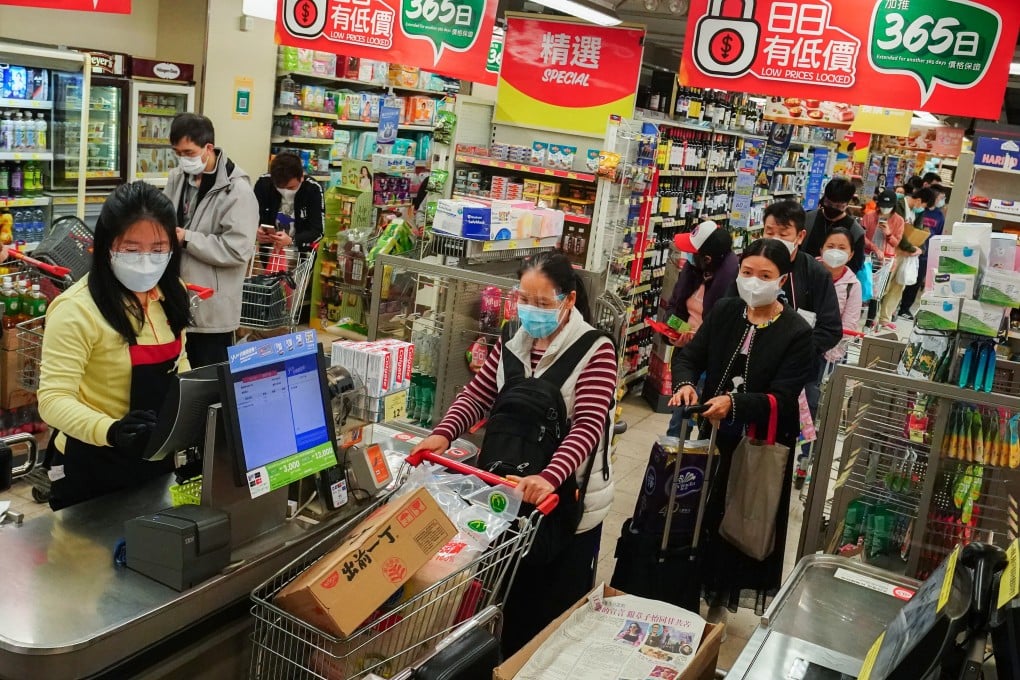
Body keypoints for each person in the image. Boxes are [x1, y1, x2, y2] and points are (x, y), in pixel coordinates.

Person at [410, 251, 616, 654]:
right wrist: (443, 434)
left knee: (549, 617)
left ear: (568, 300)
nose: (531, 310)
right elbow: (479, 393)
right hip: (509, 491)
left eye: (542, 302)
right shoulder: (512, 340)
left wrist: (549, 477)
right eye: (525, 299)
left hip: (565, 502)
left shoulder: (596, 349)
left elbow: (588, 425)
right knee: (506, 601)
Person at [670, 238, 814, 620]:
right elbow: (690, 355)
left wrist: (735, 404)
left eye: (764, 276)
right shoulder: (726, 311)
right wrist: (685, 383)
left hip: (760, 443)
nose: (753, 282)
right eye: (747, 273)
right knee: (703, 511)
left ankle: (720, 597)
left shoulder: (797, 332)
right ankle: (693, 587)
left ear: (782, 279)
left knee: (743, 516)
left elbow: (783, 397)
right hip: (713, 436)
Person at [38, 183, 192, 510]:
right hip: (91, 465)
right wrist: (110, 431)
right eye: (133, 250)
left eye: (158, 248)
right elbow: (52, 400)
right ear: (107, 246)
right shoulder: (76, 310)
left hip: (156, 459)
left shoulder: (171, 294)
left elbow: (180, 364)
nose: (146, 261)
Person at [164, 113, 258, 367]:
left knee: (208, 383)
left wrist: (187, 238)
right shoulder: (177, 178)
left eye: (188, 152)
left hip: (211, 309)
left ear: (208, 148)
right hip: (176, 299)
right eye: (177, 152)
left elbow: (238, 250)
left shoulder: (237, 191)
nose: (183, 159)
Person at [664, 221, 738, 436]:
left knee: (706, 418)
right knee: (679, 417)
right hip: (687, 356)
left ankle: (696, 467)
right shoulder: (692, 271)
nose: (687, 256)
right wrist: (674, 331)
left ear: (707, 259)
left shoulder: (731, 283)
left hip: (712, 360)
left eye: (692, 253)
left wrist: (701, 338)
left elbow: (728, 329)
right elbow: (674, 306)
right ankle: (674, 462)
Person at [879, 189, 932, 328]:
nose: (923, 209)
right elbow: (898, 232)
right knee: (885, 284)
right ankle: (875, 315)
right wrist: (910, 248)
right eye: (924, 205)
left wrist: (920, 249)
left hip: (907, 255)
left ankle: (886, 318)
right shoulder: (899, 205)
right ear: (919, 200)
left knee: (898, 286)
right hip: (893, 250)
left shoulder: (917, 213)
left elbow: (919, 232)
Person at [253, 152, 324, 252]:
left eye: (291, 187)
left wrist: (292, 241)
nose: (286, 192)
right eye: (280, 188)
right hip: (267, 254)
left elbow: (317, 231)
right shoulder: (264, 184)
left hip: (301, 256)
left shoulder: (313, 189)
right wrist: (255, 232)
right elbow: (249, 218)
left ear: (302, 176)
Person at [802, 178, 867, 273]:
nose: (832, 208)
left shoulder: (855, 232)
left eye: (838, 206)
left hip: (836, 283)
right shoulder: (808, 219)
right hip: (803, 276)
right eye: (828, 203)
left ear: (847, 204)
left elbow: (855, 265)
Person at [897, 187, 943, 320]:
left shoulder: (937, 215)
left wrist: (921, 249)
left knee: (909, 282)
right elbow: (901, 231)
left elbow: (922, 230)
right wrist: (910, 248)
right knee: (894, 283)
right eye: (939, 198)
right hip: (901, 250)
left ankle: (902, 309)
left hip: (918, 253)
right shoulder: (904, 207)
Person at [817, 228, 863, 363]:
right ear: (821, 250)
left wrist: (828, 353)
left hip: (829, 354)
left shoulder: (853, 285)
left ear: (850, 255)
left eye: (842, 248)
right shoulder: (808, 272)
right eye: (830, 246)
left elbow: (849, 324)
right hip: (798, 347)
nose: (835, 252)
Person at [861, 190, 905, 329]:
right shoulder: (869, 217)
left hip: (886, 261)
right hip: (868, 258)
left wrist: (888, 233)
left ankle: (870, 320)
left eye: (888, 205)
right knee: (863, 287)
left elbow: (897, 243)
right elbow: (861, 236)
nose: (885, 208)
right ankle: (859, 313)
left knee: (877, 292)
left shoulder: (898, 221)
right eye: (883, 205)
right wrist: (874, 247)